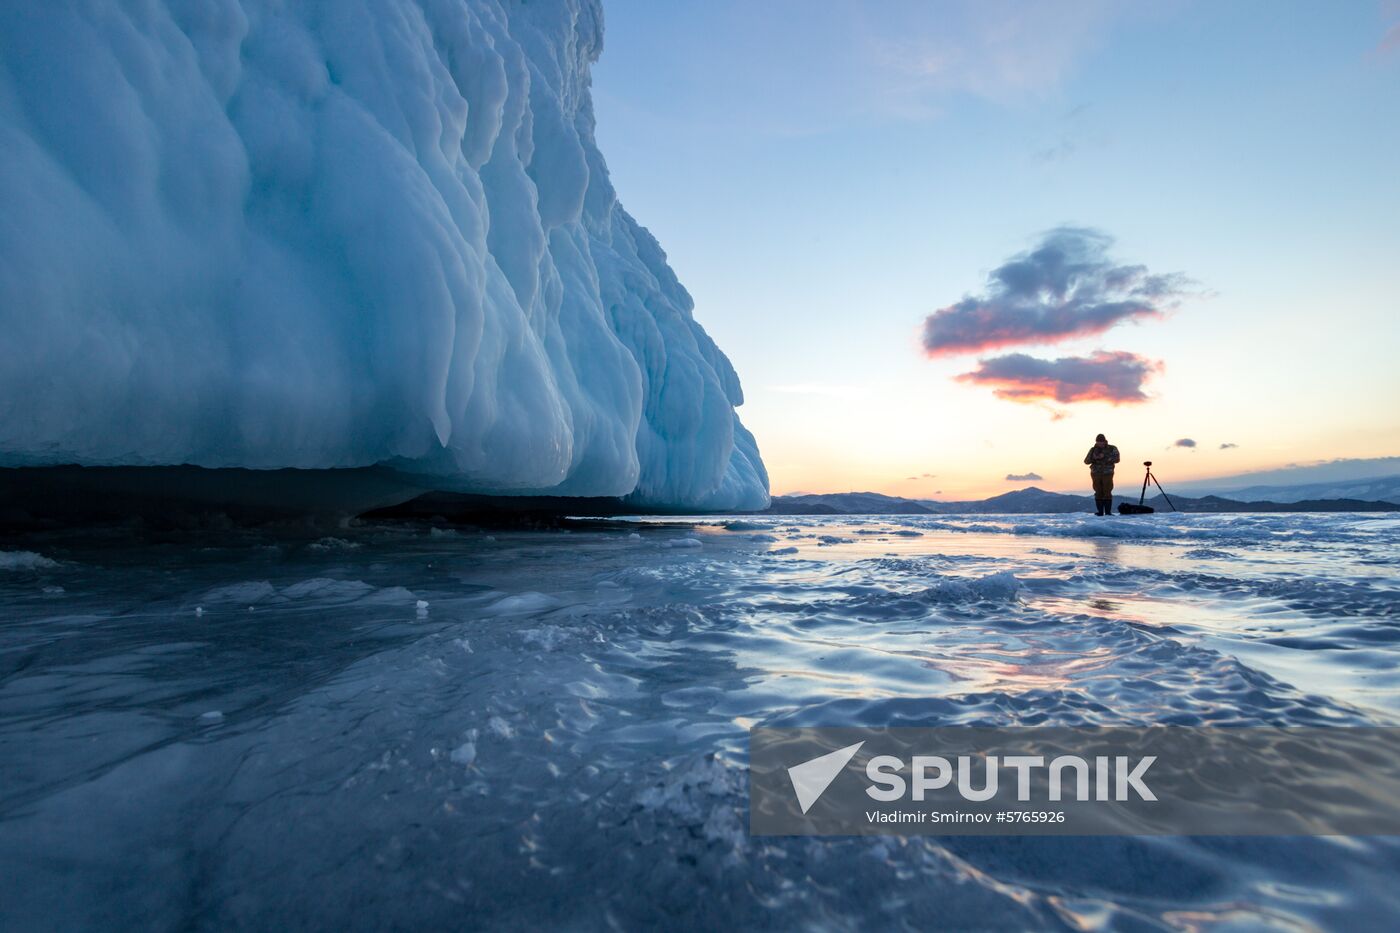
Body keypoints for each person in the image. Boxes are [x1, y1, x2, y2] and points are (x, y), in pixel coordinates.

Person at [1083, 433, 1120, 516]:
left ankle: (1108, 512)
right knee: (1098, 491)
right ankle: (1100, 512)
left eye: (1101, 442)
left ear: (1104, 441)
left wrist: (1104, 457)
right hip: (1095, 473)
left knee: (1107, 491)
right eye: (1098, 442)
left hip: (1108, 473)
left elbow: (1117, 459)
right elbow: (1086, 461)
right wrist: (1094, 458)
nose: (1100, 443)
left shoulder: (1112, 448)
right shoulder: (1093, 450)